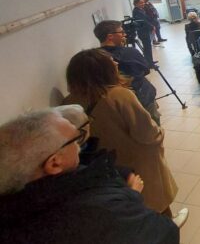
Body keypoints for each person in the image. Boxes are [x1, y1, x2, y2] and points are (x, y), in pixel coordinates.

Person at [0, 109, 182, 244]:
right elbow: (165, 233)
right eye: (76, 139)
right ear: (54, 163)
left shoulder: (14, 209)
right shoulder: (102, 214)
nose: (80, 145)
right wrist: (130, 197)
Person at [64, 49, 184, 219]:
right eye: (111, 62)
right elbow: (147, 133)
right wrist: (160, 134)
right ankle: (168, 225)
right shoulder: (120, 95)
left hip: (105, 166)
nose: (116, 63)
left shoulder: (69, 103)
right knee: (156, 203)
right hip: (137, 163)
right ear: (102, 71)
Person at [94, 20, 160, 124]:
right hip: (142, 97)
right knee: (153, 123)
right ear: (110, 36)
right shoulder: (130, 52)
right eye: (121, 32)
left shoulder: (95, 57)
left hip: (116, 104)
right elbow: (146, 70)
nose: (124, 34)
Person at [132, 0, 155, 66]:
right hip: (143, 32)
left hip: (145, 31)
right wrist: (152, 27)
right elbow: (144, 21)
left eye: (143, 2)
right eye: (141, 3)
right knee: (147, 48)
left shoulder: (140, 10)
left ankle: (150, 61)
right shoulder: (137, 11)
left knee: (148, 47)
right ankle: (149, 63)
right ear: (136, 4)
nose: (143, 4)